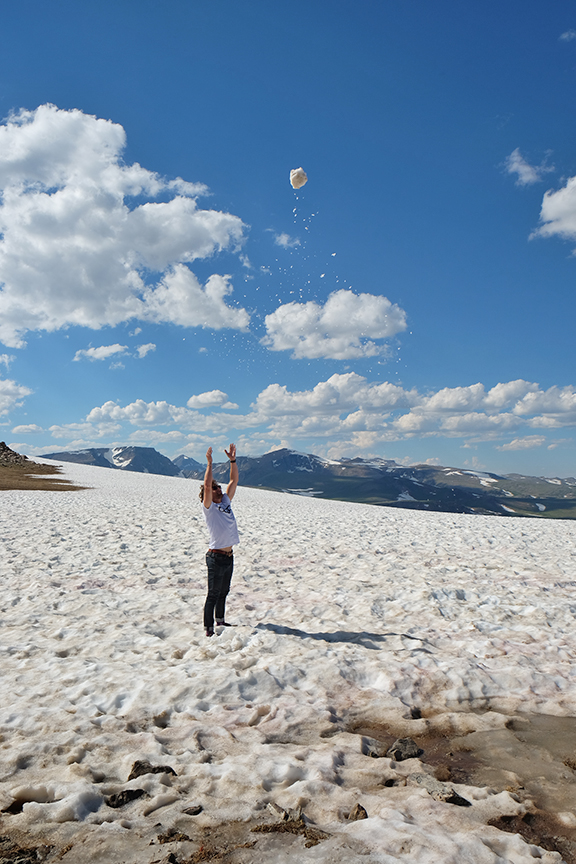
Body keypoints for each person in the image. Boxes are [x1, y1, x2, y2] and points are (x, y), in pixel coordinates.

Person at [199, 443, 239, 637]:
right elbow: (207, 486)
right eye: (216, 489)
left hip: (229, 556)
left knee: (224, 591)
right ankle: (208, 629)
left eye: (219, 487)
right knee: (213, 594)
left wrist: (232, 461)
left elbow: (233, 480)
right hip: (215, 557)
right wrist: (209, 464)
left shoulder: (225, 502)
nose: (219, 490)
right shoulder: (209, 508)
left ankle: (220, 621)